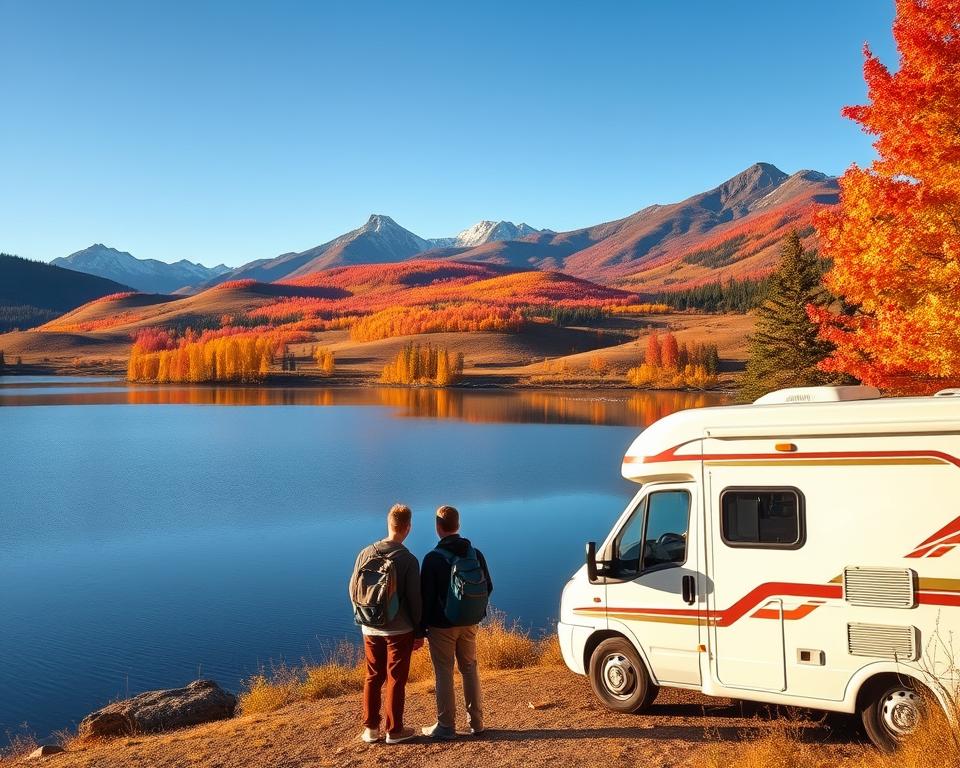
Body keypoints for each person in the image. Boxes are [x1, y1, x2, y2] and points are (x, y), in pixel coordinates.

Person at [348, 503, 424, 744]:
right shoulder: (408, 559)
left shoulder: (366, 553)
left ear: (389, 524)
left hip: (369, 626)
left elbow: (352, 589)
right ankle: (394, 730)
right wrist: (419, 631)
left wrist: (363, 617)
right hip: (400, 630)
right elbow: (415, 599)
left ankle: (370, 729)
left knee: (372, 676)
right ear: (408, 528)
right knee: (395, 679)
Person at [420, 505, 493, 740]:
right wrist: (472, 611)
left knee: (444, 673)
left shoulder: (432, 559)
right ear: (458, 525)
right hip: (470, 622)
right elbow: (488, 586)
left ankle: (446, 726)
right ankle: (477, 723)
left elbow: (426, 599)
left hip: (442, 626)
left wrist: (420, 630)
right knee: (470, 669)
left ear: (438, 527)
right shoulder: (475, 553)